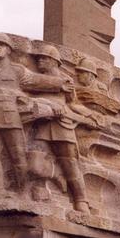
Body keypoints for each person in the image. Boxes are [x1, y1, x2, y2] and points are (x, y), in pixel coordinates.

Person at [0, 34, 69, 198]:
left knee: (18, 156)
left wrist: (60, 84)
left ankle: (22, 189)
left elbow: (35, 80)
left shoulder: (17, 70)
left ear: (8, 49)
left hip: (10, 117)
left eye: (1, 45)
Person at [33, 43, 90, 214]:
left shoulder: (66, 80)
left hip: (62, 124)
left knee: (70, 163)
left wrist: (89, 115)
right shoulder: (36, 78)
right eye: (38, 58)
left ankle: (81, 200)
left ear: (53, 61)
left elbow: (72, 103)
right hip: (42, 123)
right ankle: (50, 180)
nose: (40, 61)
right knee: (35, 161)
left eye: (43, 58)